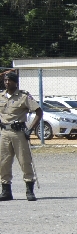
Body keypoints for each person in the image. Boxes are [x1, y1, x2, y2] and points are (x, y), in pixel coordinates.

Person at [1, 71, 41, 201]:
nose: (7, 82)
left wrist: (30, 130)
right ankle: (6, 191)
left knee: (25, 161)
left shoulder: (24, 96)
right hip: (4, 133)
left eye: (10, 80)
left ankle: (29, 190)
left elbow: (39, 112)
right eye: (5, 80)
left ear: (15, 82)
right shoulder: (1, 96)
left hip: (19, 133)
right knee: (3, 162)